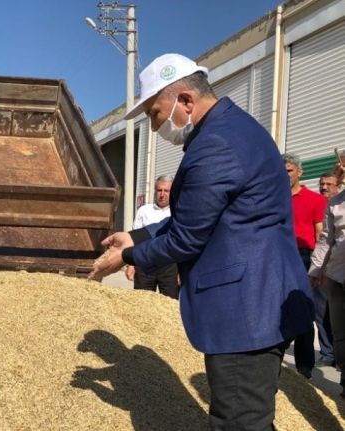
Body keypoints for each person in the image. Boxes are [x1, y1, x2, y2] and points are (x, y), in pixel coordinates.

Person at [89, 53, 313, 429]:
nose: (156, 126)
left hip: (246, 312)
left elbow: (186, 238)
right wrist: (137, 233)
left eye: (156, 114)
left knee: (238, 422)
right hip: (259, 303)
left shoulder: (215, 145)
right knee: (251, 418)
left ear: (186, 100)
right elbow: (204, 216)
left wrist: (127, 255)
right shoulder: (234, 128)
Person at [284, 153, 326, 379]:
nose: (285, 174)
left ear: (300, 172)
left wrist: (320, 267)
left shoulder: (315, 200)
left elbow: (321, 233)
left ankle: (304, 366)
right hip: (278, 257)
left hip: (303, 257)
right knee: (276, 309)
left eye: (289, 170)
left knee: (304, 311)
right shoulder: (274, 197)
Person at [310, 161, 345, 397]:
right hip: (337, 277)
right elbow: (325, 240)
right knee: (340, 334)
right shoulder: (335, 204)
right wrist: (315, 271)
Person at [124, 175, 178, 299]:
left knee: (170, 305)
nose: (162, 194)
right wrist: (131, 265)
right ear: (155, 191)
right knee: (142, 303)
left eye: (166, 191)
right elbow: (134, 239)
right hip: (145, 264)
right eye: (159, 190)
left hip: (170, 266)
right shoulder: (144, 211)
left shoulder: (178, 212)